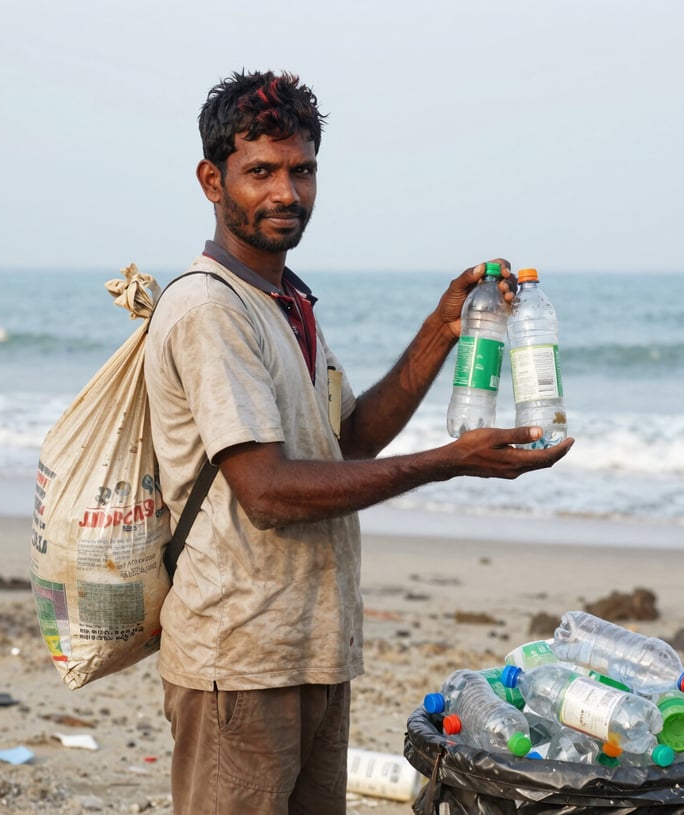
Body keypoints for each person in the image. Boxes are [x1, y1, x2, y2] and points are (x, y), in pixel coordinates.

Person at [144, 69, 574, 815]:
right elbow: (269, 489)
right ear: (212, 180)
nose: (287, 192)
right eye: (262, 172)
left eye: (302, 170)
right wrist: (450, 461)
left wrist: (445, 327)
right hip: (237, 659)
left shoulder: (287, 303)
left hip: (311, 647)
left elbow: (346, 444)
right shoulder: (209, 309)